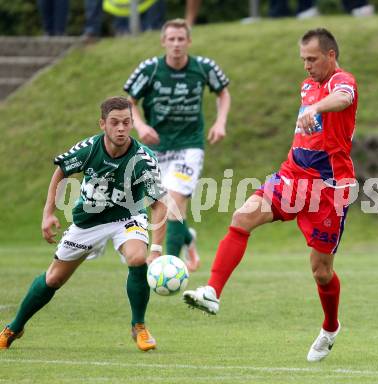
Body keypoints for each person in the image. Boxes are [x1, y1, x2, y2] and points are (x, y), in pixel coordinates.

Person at [183, 28, 358, 363]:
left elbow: (344, 98)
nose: (306, 66)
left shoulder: (341, 80)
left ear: (331, 55)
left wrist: (318, 108)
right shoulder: (306, 85)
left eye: (312, 59)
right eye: (303, 59)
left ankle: (330, 327)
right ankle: (212, 292)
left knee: (321, 271)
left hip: (329, 188)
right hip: (292, 175)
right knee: (241, 217)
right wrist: (311, 112)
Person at [0, 96, 168, 351]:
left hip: (128, 217)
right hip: (88, 222)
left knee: (136, 259)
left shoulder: (144, 159)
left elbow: (158, 204)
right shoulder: (89, 148)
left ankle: (139, 326)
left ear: (132, 123)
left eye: (126, 122)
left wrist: (155, 251)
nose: (121, 128)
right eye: (114, 123)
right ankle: (14, 327)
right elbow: (61, 171)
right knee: (53, 279)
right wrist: (48, 213)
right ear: (102, 124)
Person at [123, 19, 231, 272]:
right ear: (163, 42)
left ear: (189, 41)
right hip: (157, 148)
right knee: (158, 206)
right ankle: (186, 238)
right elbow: (130, 101)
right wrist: (140, 126)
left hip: (189, 146)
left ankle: (164, 262)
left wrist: (220, 122)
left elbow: (223, 92)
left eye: (181, 39)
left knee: (172, 200)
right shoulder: (149, 69)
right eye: (171, 39)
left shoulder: (204, 68)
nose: (176, 44)